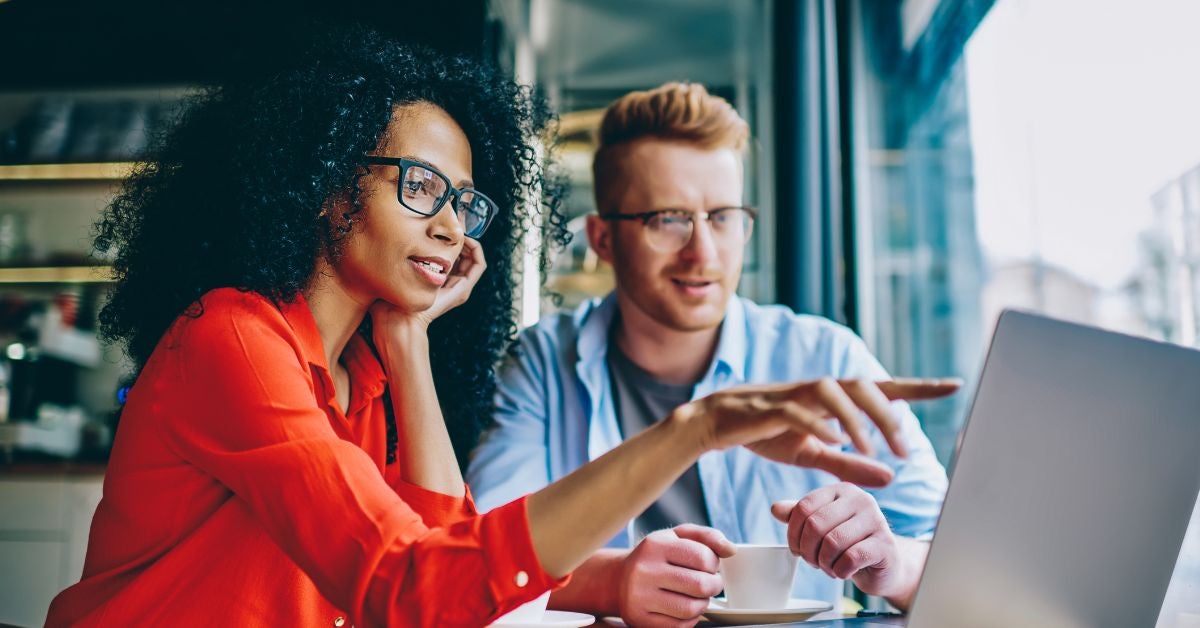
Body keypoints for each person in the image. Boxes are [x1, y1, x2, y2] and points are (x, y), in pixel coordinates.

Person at [44, 31, 956, 627]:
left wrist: (406, 344)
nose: (450, 226)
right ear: (323, 188)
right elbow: (413, 591)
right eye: (420, 188)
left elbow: (446, 566)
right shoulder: (235, 340)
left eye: (464, 203)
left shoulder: (362, 376)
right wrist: (697, 429)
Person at [467, 82, 953, 625]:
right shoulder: (543, 362)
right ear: (603, 240)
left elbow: (960, 557)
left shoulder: (824, 357)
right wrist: (612, 582)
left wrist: (891, 566)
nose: (703, 252)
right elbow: (480, 559)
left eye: (722, 217)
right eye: (668, 220)